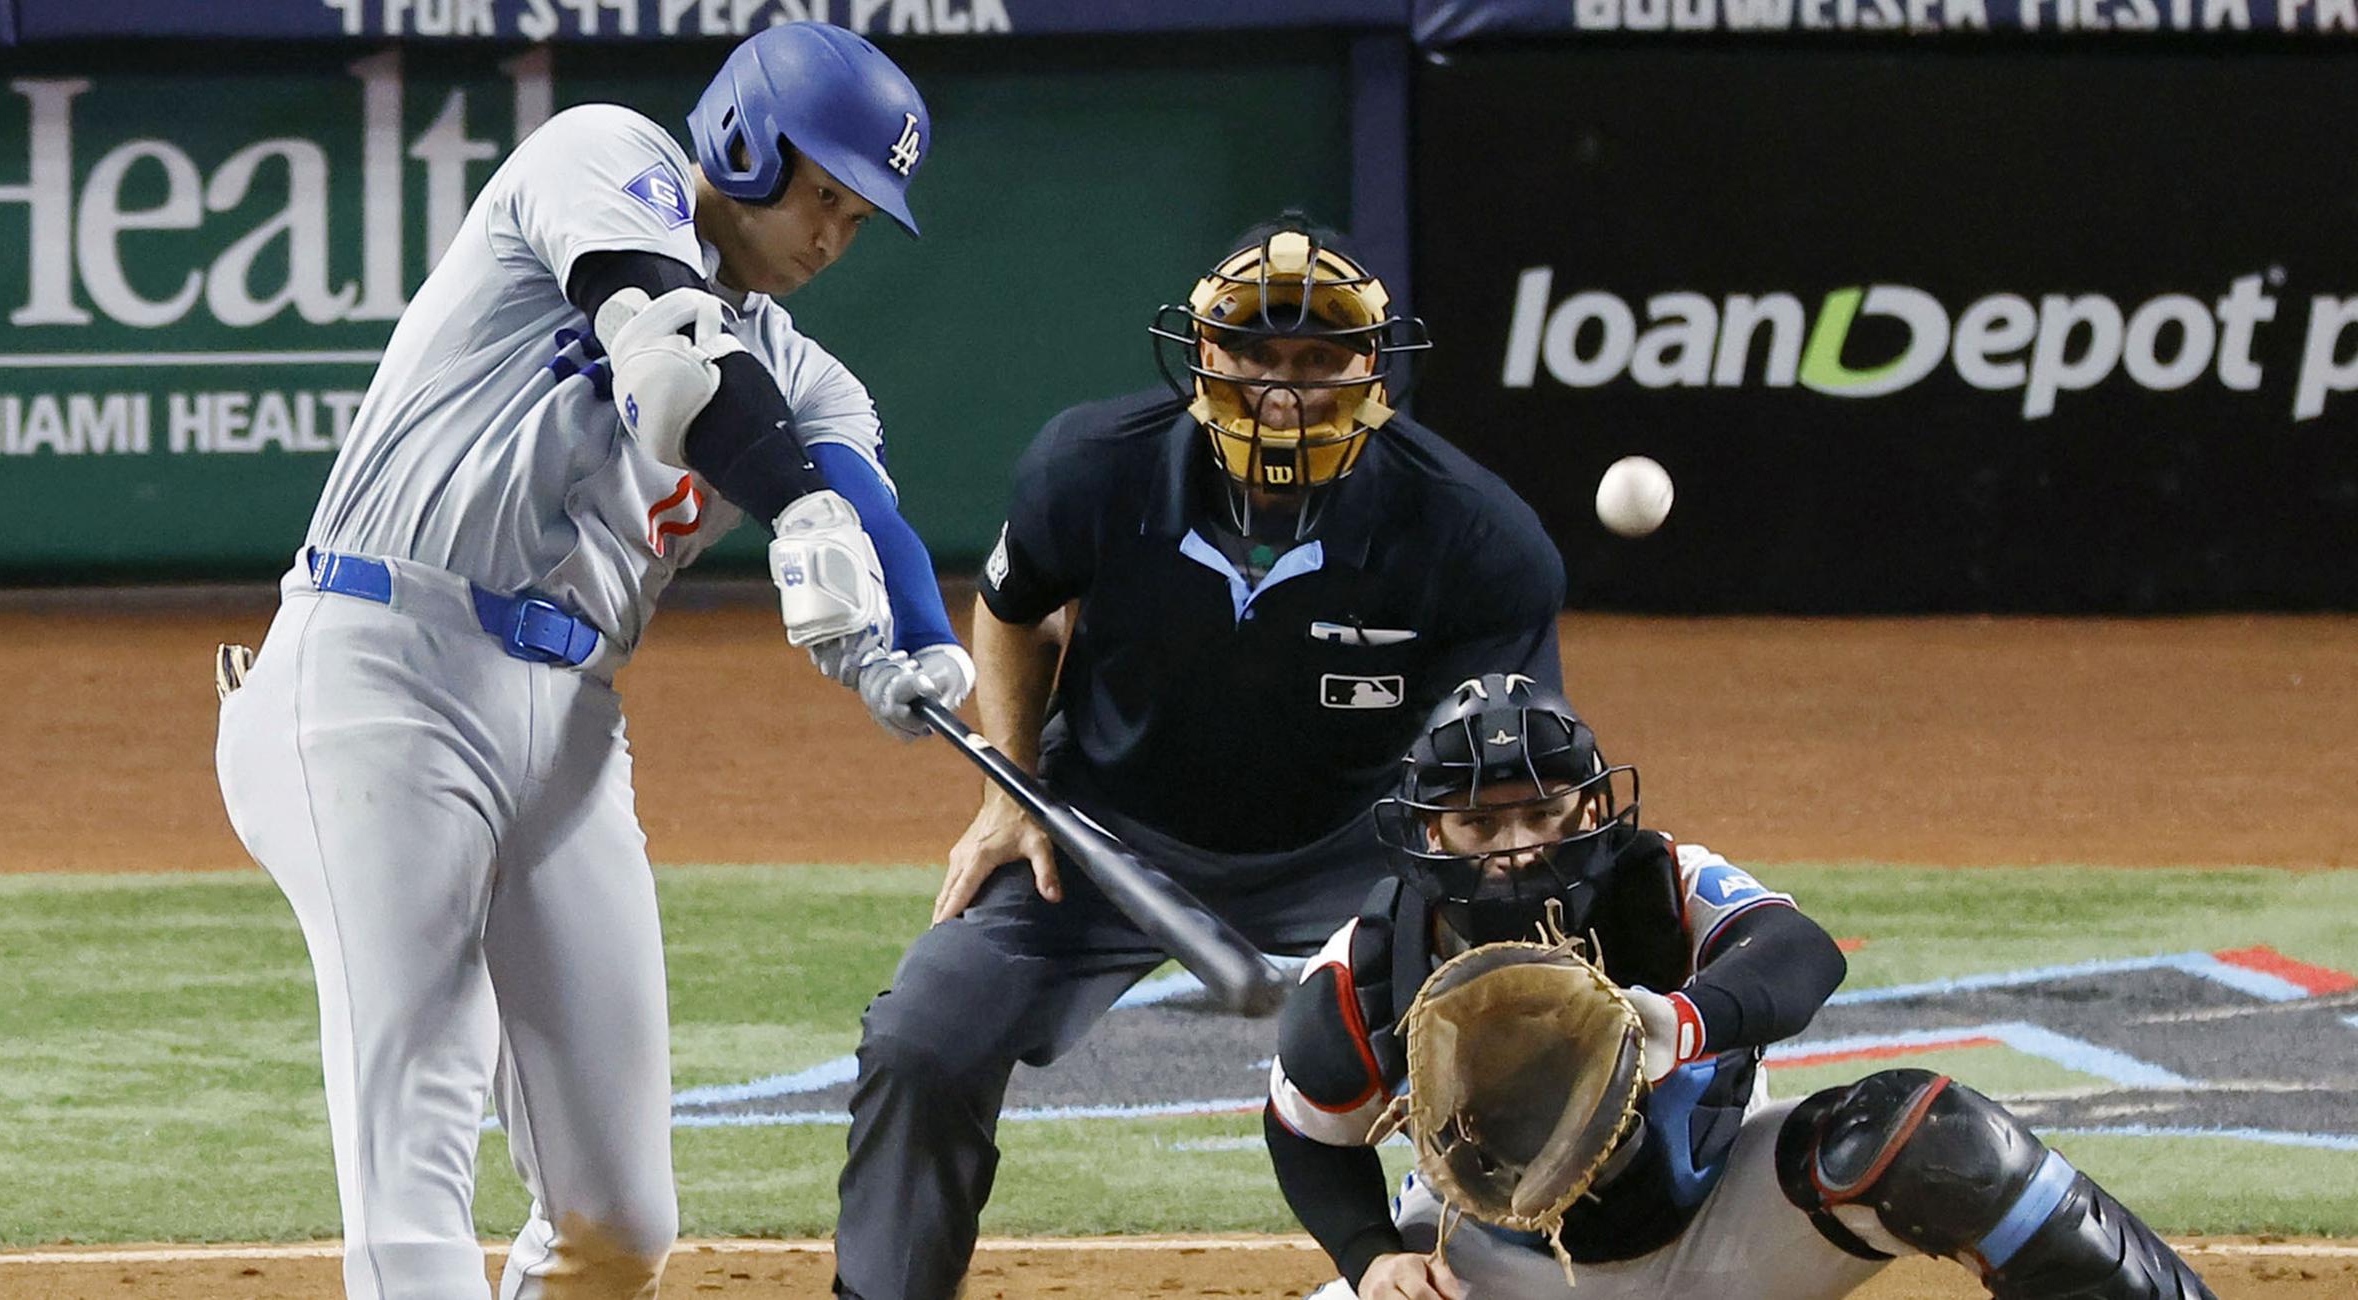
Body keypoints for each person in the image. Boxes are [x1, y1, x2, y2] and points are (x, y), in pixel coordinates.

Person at [212, 24, 971, 1300]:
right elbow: (674, 365)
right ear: (744, 137)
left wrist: (925, 656)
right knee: (420, 1108)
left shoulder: (804, 379)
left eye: (856, 213)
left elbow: (866, 507)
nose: (831, 235)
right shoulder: (605, 158)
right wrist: (799, 514)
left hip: (568, 727)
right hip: (377, 668)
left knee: (617, 1217)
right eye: (820, 191)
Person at [831, 215, 1569, 1299]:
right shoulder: (1092, 466)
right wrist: (1010, 786)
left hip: (1355, 851)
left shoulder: (1472, 531)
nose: (1284, 389)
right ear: (1202, 356)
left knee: (1514, 1009)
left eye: (1317, 360)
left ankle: (1468, 1254)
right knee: (922, 1035)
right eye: (1255, 355)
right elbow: (1013, 611)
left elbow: (1503, 760)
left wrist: (1443, 924)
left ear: (1372, 369)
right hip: (1101, 832)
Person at [1264, 675, 2213, 1300]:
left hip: (1723, 1236)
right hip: (1494, 1272)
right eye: (1479, 824)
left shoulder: (1663, 882)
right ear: (1432, 834)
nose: (1517, 850)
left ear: (1592, 807)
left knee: (1936, 1140)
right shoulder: (1370, 970)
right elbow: (1305, 1133)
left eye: (1543, 814)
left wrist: (1682, 1021)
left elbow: (1800, 952)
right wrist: (1369, 1254)